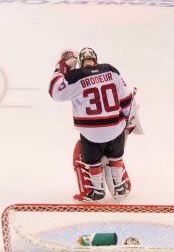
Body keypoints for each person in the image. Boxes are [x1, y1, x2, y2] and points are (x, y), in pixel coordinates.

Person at [49, 47, 136, 202]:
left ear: (81, 63)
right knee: (115, 156)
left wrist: (61, 69)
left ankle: (95, 192)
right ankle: (119, 188)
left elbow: (55, 92)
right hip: (116, 131)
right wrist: (129, 121)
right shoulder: (110, 70)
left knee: (87, 157)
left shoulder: (75, 76)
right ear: (96, 59)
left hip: (91, 135)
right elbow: (127, 99)